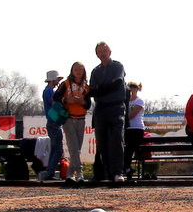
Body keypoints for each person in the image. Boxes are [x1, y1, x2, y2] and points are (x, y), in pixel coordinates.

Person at [88, 42, 127, 183]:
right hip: (100, 108)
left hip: (116, 107)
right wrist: (104, 87)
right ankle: (106, 172)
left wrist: (101, 88)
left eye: (104, 50)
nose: (102, 53)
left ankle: (118, 172)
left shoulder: (118, 66)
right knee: (102, 142)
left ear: (109, 51)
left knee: (117, 139)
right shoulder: (95, 71)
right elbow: (92, 91)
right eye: (99, 51)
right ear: (96, 54)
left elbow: (117, 84)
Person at [54, 62, 90, 183]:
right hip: (68, 118)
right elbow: (55, 96)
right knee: (73, 146)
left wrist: (83, 102)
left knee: (76, 148)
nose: (78, 71)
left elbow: (89, 104)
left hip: (81, 118)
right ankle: (79, 172)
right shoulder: (66, 84)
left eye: (81, 69)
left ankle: (70, 174)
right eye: (76, 69)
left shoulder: (86, 86)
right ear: (72, 71)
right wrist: (66, 99)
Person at [39, 70, 65, 182]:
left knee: (55, 149)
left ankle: (50, 171)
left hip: (52, 122)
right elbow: (55, 104)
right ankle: (49, 172)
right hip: (54, 121)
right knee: (58, 150)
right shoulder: (50, 91)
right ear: (54, 79)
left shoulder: (48, 90)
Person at [123, 82, 145, 179]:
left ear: (136, 89)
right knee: (127, 149)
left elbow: (133, 114)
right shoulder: (125, 101)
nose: (131, 89)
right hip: (127, 128)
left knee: (131, 148)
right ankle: (127, 168)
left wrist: (122, 118)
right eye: (129, 87)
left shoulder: (139, 101)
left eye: (133, 87)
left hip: (137, 128)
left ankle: (128, 168)